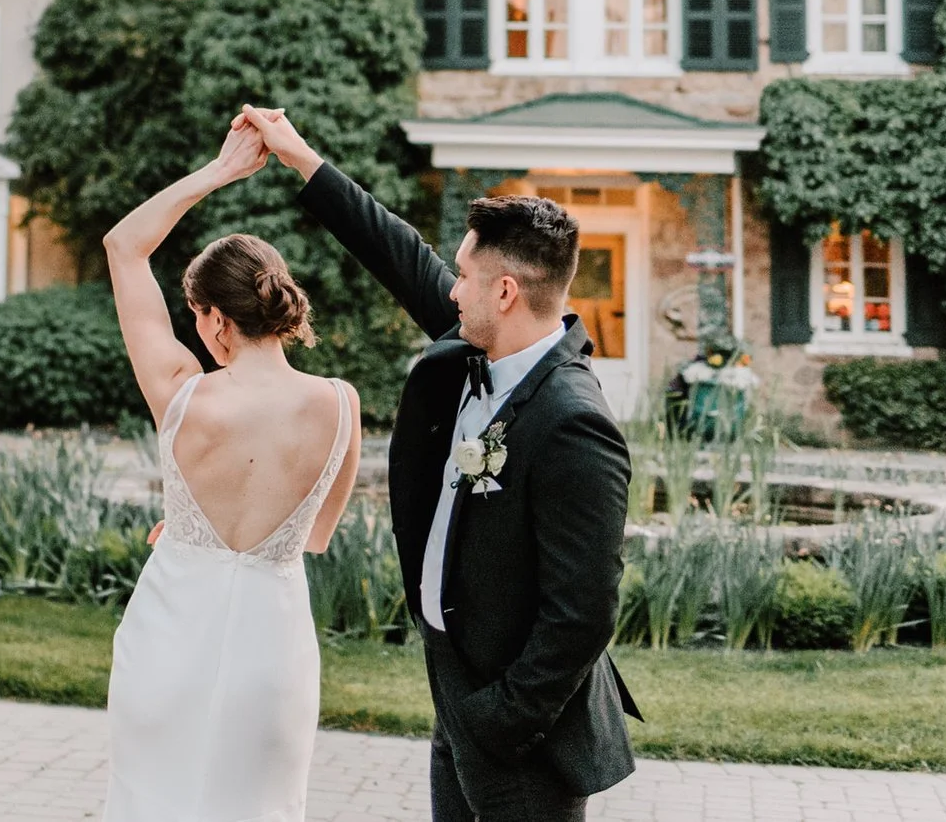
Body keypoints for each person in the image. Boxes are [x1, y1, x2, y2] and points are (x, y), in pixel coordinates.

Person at [238, 105, 637, 822]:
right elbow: (395, 249)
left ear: (504, 290)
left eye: (462, 275)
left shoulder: (574, 422)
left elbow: (584, 610)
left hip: (520, 734)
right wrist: (300, 156)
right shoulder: (474, 347)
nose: (449, 288)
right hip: (455, 688)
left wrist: (501, 718)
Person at [101, 114, 363, 822]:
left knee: (152, 801)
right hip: (271, 649)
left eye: (196, 318)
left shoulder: (183, 394)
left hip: (169, 629)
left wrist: (221, 170)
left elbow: (124, 245)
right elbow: (312, 537)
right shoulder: (339, 406)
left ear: (214, 318)